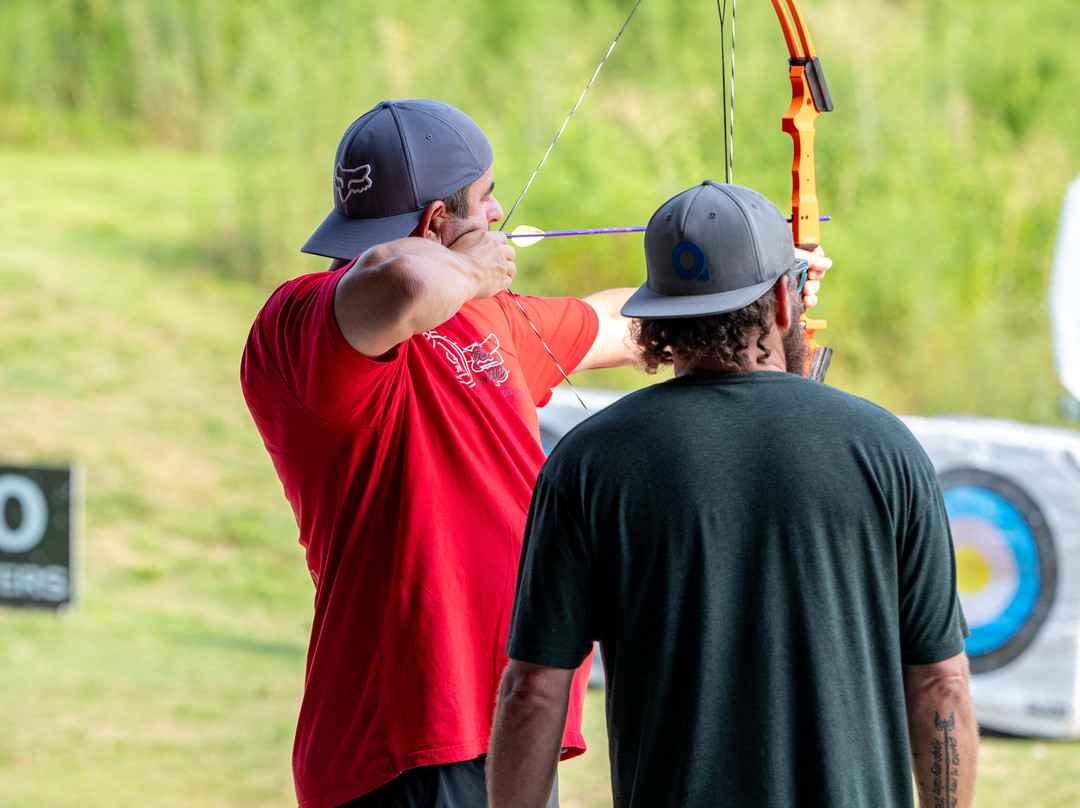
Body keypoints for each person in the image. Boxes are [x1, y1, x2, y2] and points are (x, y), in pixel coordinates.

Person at [241, 99, 828, 808]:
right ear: (436, 224)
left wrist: (759, 285)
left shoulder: (486, 315)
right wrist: (475, 271)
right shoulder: (300, 325)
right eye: (485, 201)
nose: (497, 218)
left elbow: (620, 323)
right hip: (405, 741)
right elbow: (407, 281)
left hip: (505, 725)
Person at [486, 181, 977, 808]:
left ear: (656, 313)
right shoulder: (886, 448)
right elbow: (942, 686)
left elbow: (532, 692)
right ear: (782, 298)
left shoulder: (588, 463)